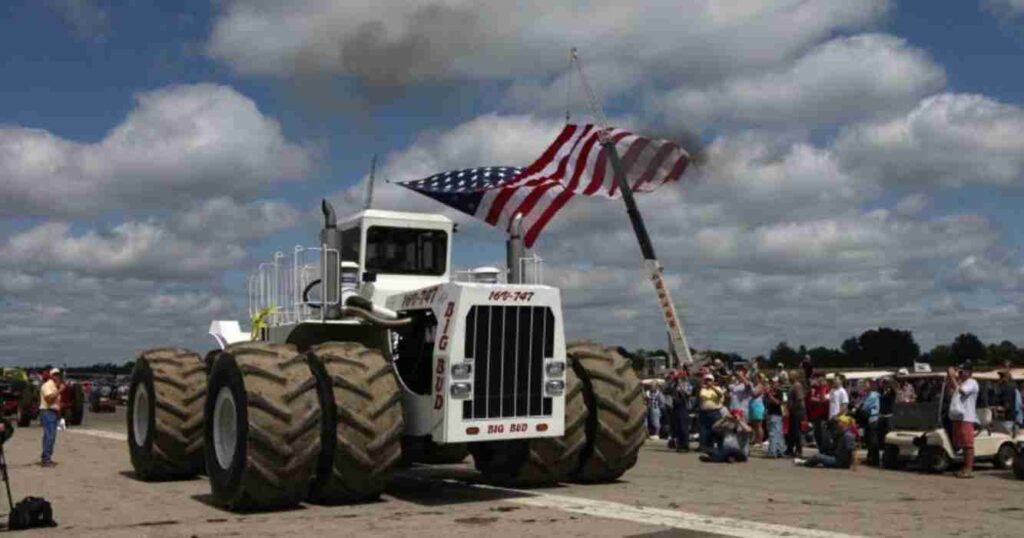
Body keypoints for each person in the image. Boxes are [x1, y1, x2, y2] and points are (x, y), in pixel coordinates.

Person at [947, 363, 979, 479]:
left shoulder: (972, 382)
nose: (960, 373)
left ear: (969, 372)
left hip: (967, 417)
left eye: (962, 371)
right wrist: (950, 378)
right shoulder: (961, 383)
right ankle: (964, 467)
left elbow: (961, 391)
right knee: (959, 443)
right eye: (959, 371)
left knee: (967, 444)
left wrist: (952, 378)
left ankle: (968, 469)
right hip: (958, 416)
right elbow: (951, 392)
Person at [794, 415, 859, 470]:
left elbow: (853, 450)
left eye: (839, 422)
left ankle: (804, 463)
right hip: (838, 458)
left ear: (844, 424)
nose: (837, 423)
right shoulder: (841, 434)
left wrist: (854, 465)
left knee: (818, 457)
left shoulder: (848, 435)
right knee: (822, 454)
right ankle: (805, 461)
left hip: (840, 462)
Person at [39, 368, 64, 467]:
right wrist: (60, 390)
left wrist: (59, 414)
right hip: (47, 411)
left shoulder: (53, 386)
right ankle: (46, 459)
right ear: (51, 376)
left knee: (49, 435)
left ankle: (46, 457)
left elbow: (56, 403)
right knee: (50, 436)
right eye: (55, 374)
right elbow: (49, 399)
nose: (58, 376)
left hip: (52, 412)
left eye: (59, 375)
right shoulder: (47, 385)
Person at [666, 370, 692, 452]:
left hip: (683, 407)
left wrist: (680, 386)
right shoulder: (673, 384)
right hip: (675, 407)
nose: (677, 379)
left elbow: (688, 393)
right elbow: (666, 390)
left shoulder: (686, 384)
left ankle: (685, 445)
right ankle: (679, 445)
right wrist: (672, 381)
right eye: (676, 378)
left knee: (683, 427)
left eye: (678, 377)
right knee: (677, 427)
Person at [698, 374, 725, 452]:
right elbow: (700, 396)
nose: (708, 381)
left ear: (713, 381)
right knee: (704, 430)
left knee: (718, 429)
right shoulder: (703, 389)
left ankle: (720, 446)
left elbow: (720, 395)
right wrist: (703, 386)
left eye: (710, 380)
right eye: (706, 380)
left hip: (715, 412)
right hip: (704, 412)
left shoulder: (717, 388)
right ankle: (705, 446)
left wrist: (712, 387)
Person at [858, 380, 881, 466]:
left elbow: (864, 406)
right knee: (868, 440)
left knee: (873, 441)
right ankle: (870, 457)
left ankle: (875, 460)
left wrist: (860, 406)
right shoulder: (866, 395)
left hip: (873, 419)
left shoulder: (873, 395)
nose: (864, 386)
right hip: (867, 419)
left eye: (865, 384)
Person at [807, 374, 829, 453]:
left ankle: (824, 451)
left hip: (823, 416)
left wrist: (818, 400)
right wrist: (818, 400)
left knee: (823, 434)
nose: (818, 381)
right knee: (817, 434)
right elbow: (811, 398)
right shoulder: (815, 389)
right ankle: (821, 450)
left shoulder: (826, 388)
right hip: (815, 415)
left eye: (820, 379)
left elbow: (824, 400)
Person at [764, 379, 786, 457]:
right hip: (770, 414)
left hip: (777, 414)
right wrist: (767, 394)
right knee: (774, 433)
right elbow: (766, 402)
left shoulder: (779, 392)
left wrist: (770, 395)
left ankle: (775, 451)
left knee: (776, 433)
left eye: (774, 383)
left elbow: (778, 402)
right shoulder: (768, 392)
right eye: (772, 383)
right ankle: (777, 450)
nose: (773, 384)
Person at [786, 374, 806, 457]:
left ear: (794, 376)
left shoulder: (797, 386)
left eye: (790, 376)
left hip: (797, 411)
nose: (789, 377)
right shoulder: (792, 386)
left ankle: (798, 450)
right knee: (791, 431)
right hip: (793, 412)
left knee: (796, 431)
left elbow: (799, 399)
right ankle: (790, 449)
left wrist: (792, 407)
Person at [997, 371, 1020, 438]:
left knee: (1006, 437)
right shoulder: (1012, 388)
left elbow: (1007, 405)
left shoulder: (1007, 389)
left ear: (1006, 378)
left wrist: (999, 410)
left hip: (1007, 419)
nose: (1000, 379)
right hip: (1011, 418)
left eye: (1001, 377)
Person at [749, 374, 766, 445]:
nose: (754, 379)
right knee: (754, 425)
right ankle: (756, 440)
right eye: (754, 378)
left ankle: (760, 441)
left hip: (758, 406)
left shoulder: (760, 386)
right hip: (752, 406)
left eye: (756, 378)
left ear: (759, 379)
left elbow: (754, 394)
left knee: (759, 425)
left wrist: (750, 387)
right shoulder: (754, 386)